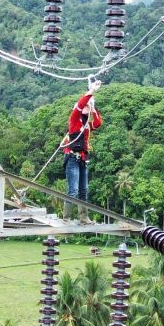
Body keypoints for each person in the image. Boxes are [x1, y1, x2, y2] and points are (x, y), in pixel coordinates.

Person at [62, 80, 102, 223]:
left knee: (83, 190)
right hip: (72, 158)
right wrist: (91, 91)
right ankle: (66, 218)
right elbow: (80, 105)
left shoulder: (86, 125)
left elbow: (98, 123)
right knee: (73, 191)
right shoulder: (74, 120)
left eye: (88, 106)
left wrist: (93, 107)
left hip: (83, 159)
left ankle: (83, 217)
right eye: (86, 106)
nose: (87, 107)